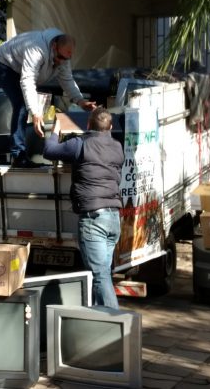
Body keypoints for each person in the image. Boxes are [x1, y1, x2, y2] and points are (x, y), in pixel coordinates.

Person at [43, 107, 124, 308]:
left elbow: (49, 151)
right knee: (103, 274)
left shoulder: (80, 144)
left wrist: (55, 131)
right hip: (113, 218)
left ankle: (114, 321)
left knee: (100, 275)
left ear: (87, 125)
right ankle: (98, 317)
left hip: (94, 219)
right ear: (110, 128)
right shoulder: (117, 147)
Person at [0, 28, 96, 167]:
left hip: (21, 68)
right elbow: (28, 80)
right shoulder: (36, 49)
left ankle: (27, 148)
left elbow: (67, 80)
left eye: (66, 59)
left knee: (32, 103)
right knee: (21, 104)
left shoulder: (63, 56)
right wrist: (35, 112)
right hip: (4, 65)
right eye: (60, 58)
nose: (62, 62)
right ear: (54, 46)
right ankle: (18, 155)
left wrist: (81, 101)